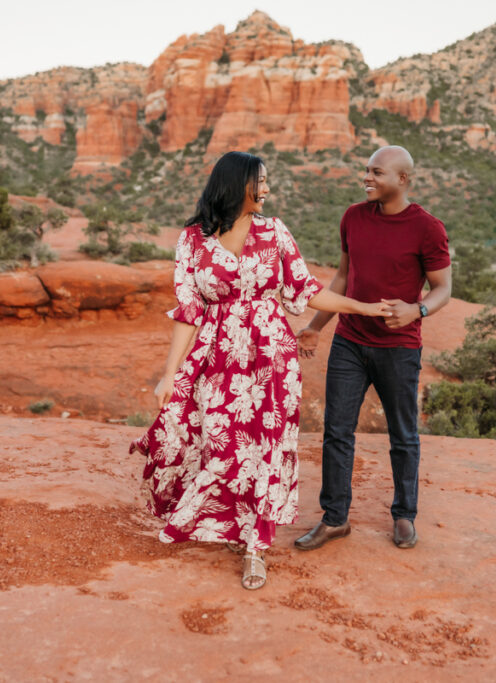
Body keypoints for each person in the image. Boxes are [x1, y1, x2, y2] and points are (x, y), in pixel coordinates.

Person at [130, 151, 389, 590]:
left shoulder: (275, 232)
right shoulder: (192, 240)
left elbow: (305, 289)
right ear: (237, 185)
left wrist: (360, 307)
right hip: (218, 356)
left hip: (271, 358)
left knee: (266, 450)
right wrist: (169, 372)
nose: (267, 190)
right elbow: (188, 311)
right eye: (260, 182)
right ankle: (231, 522)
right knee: (220, 441)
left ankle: (255, 547)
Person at [294, 145, 452, 552]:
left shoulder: (428, 228)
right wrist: (315, 327)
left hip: (399, 348)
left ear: (402, 179)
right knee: (337, 432)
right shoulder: (353, 217)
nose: (367, 178)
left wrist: (417, 311)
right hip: (350, 341)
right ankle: (335, 519)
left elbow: (443, 289)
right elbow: (343, 278)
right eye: (366, 170)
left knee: (403, 435)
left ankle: (403, 516)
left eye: (376, 172)